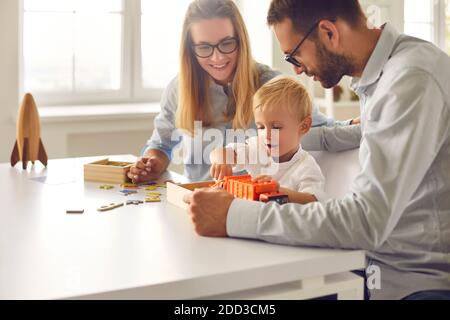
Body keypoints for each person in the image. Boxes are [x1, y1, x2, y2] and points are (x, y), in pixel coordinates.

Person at [183, 0, 450, 300]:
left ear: (328, 32)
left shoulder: (410, 79)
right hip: (370, 265)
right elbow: (348, 134)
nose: (296, 69)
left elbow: (364, 221)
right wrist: (282, 138)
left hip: (413, 282)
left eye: (294, 55)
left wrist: (234, 216)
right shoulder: (383, 76)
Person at [128, 0, 357, 184]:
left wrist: (360, 124)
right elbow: (160, 145)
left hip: (254, 208)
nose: (217, 58)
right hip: (199, 205)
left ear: (241, 40)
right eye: (204, 47)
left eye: (227, 43)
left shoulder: (272, 86)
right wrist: (150, 164)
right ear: (191, 50)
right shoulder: (178, 89)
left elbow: (322, 129)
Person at [210, 76, 326, 204]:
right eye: (261, 127)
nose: (267, 135)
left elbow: (314, 201)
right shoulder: (258, 149)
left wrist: (278, 191)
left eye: (276, 127)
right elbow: (222, 152)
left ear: (303, 126)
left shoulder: (306, 167)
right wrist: (221, 160)